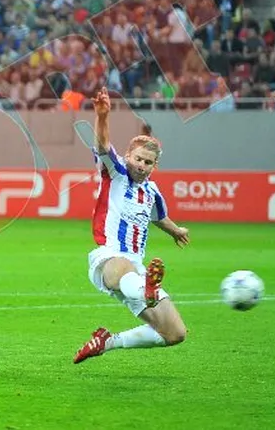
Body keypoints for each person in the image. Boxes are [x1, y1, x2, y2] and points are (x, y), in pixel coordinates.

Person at [73, 87, 190, 364]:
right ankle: (144, 290)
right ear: (128, 156)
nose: (141, 164)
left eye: (148, 162)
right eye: (137, 158)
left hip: (137, 270)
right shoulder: (115, 173)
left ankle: (107, 341)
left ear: (154, 166)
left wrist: (176, 231)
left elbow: (158, 216)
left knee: (175, 333)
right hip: (109, 258)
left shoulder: (152, 192)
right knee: (122, 269)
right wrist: (102, 116)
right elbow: (102, 145)